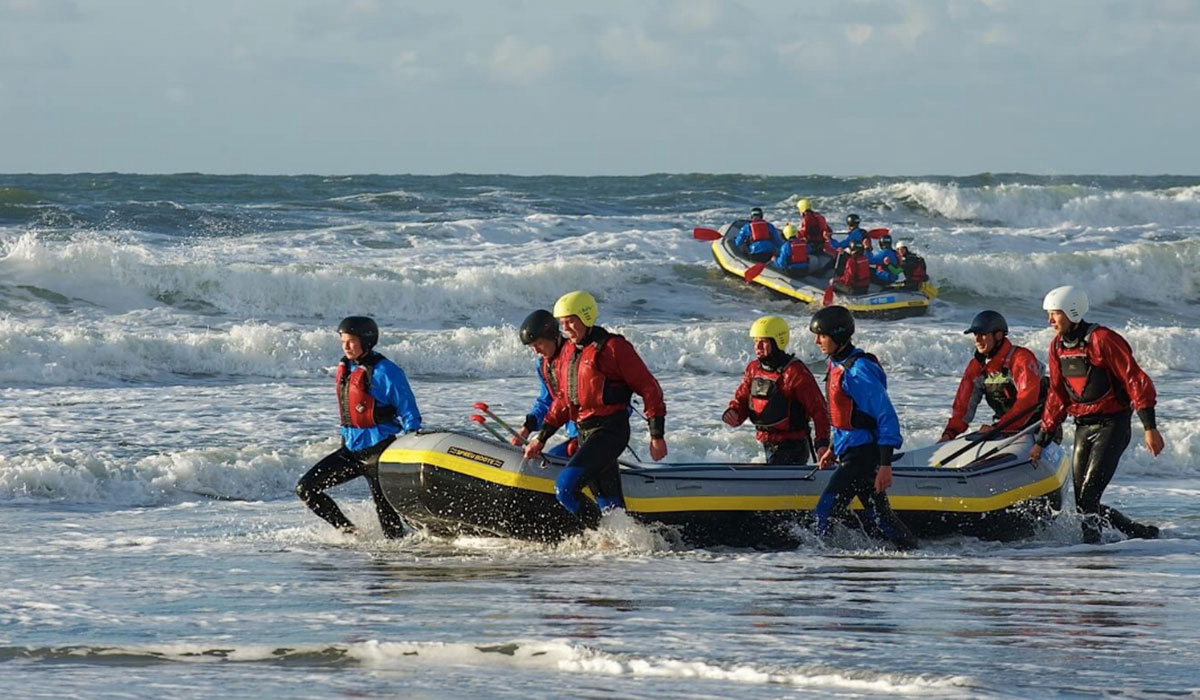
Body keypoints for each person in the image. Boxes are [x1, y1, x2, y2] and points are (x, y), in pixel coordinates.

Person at [523, 291, 668, 528]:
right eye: (562, 323)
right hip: (584, 434)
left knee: (564, 488)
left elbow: (650, 388)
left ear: (586, 316)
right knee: (611, 506)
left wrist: (657, 435)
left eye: (571, 321)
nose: (567, 328)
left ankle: (600, 538)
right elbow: (562, 400)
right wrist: (541, 437)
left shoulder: (614, 348)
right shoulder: (569, 352)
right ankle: (628, 547)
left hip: (610, 431)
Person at [1030, 286, 1164, 543]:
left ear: (1072, 311)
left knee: (1089, 497)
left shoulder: (1102, 339)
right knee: (1084, 503)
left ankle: (1092, 553)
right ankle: (1140, 534)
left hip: (1112, 425)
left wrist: (1150, 426)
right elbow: (1057, 396)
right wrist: (1042, 440)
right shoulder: (1057, 346)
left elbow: (1135, 379)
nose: (1049, 321)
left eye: (1054, 314)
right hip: (1083, 426)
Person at [296, 316, 422, 538]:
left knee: (389, 522)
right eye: (343, 341)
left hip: (380, 454)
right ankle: (350, 532)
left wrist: (411, 444)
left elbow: (409, 412)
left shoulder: (386, 371)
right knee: (306, 489)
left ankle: (396, 563)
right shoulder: (347, 368)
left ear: (367, 341)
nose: (346, 346)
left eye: (351, 341)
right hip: (351, 452)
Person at [809, 305, 917, 549]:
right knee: (877, 518)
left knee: (824, 513)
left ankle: (821, 563)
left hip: (863, 457)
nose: (817, 341)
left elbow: (886, 417)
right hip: (851, 453)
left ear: (837, 336)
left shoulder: (858, 370)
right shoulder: (837, 364)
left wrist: (885, 465)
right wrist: (833, 449)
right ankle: (910, 556)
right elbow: (846, 418)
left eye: (822, 336)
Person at [723, 316, 830, 464]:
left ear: (777, 342)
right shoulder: (754, 369)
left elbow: (819, 409)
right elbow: (742, 399)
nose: (758, 347)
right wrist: (734, 412)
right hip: (767, 443)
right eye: (755, 341)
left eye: (764, 342)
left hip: (793, 446)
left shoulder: (795, 372)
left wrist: (822, 443)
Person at [940, 310, 1044, 442]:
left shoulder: (1021, 359)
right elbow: (963, 407)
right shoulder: (977, 367)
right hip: (1005, 431)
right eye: (975, 334)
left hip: (1039, 430)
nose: (977, 340)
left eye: (982, 335)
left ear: (999, 335)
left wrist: (997, 428)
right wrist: (949, 434)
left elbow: (1027, 402)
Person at [510, 309, 578, 458]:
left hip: (595, 430)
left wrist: (542, 437)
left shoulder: (577, 357)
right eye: (532, 347)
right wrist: (526, 429)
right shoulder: (543, 363)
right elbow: (546, 400)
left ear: (553, 335)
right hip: (576, 435)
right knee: (550, 457)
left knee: (555, 459)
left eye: (539, 344)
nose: (536, 351)